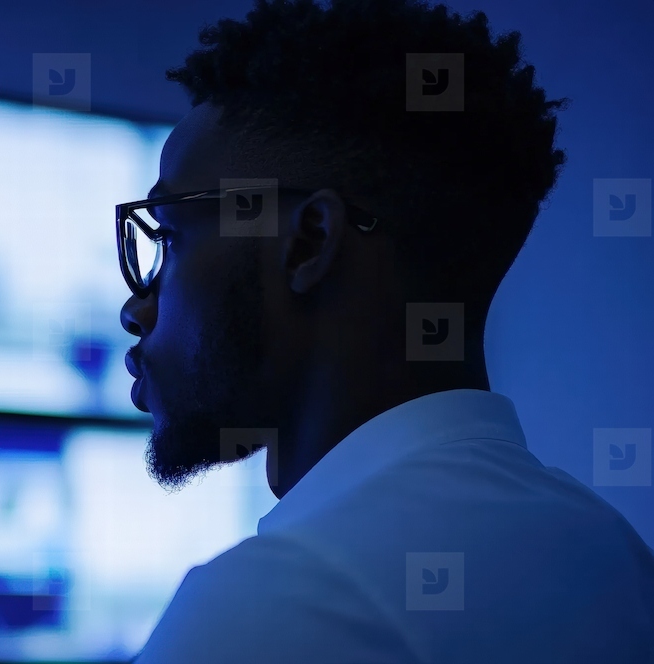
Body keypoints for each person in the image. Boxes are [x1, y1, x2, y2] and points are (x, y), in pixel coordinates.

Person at [116, 0, 654, 661]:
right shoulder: (614, 553)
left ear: (308, 242)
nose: (137, 309)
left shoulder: (273, 604)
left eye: (170, 237)